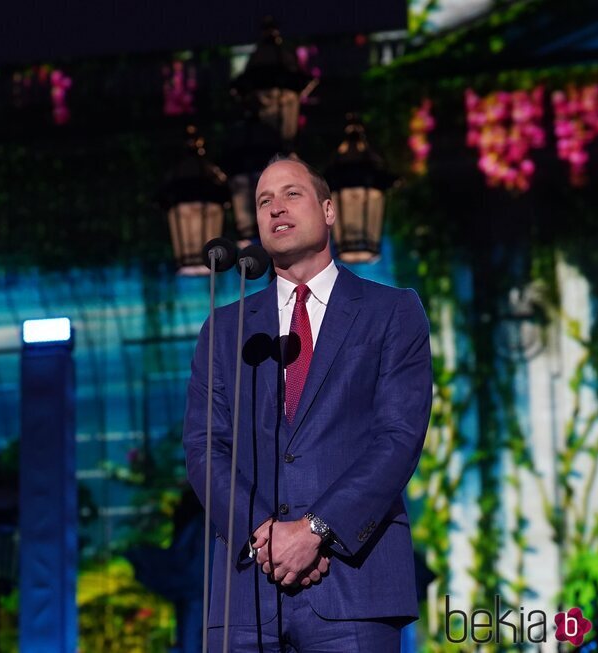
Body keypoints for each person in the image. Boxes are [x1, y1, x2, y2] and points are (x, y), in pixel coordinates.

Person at [182, 154, 432, 652]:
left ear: (329, 210)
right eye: (263, 201)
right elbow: (206, 445)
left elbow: (398, 438)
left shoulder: (391, 311)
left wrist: (316, 529)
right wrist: (264, 532)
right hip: (246, 591)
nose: (276, 208)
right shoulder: (225, 329)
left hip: (354, 586)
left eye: (292, 193)